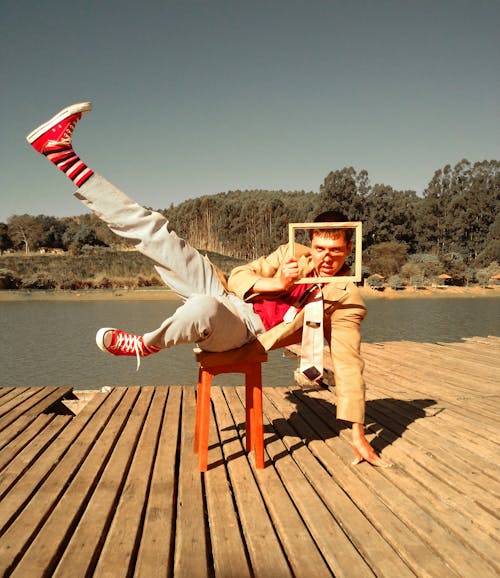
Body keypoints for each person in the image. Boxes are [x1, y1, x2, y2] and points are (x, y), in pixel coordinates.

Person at [26, 102, 389, 467]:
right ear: (312, 242)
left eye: (336, 251)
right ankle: (61, 154)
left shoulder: (346, 298)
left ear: (349, 249)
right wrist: (275, 281)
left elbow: (347, 363)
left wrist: (357, 431)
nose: (326, 257)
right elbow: (240, 277)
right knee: (156, 233)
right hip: (227, 293)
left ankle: (145, 345)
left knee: (202, 309)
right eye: (321, 247)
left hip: (245, 330)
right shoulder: (291, 252)